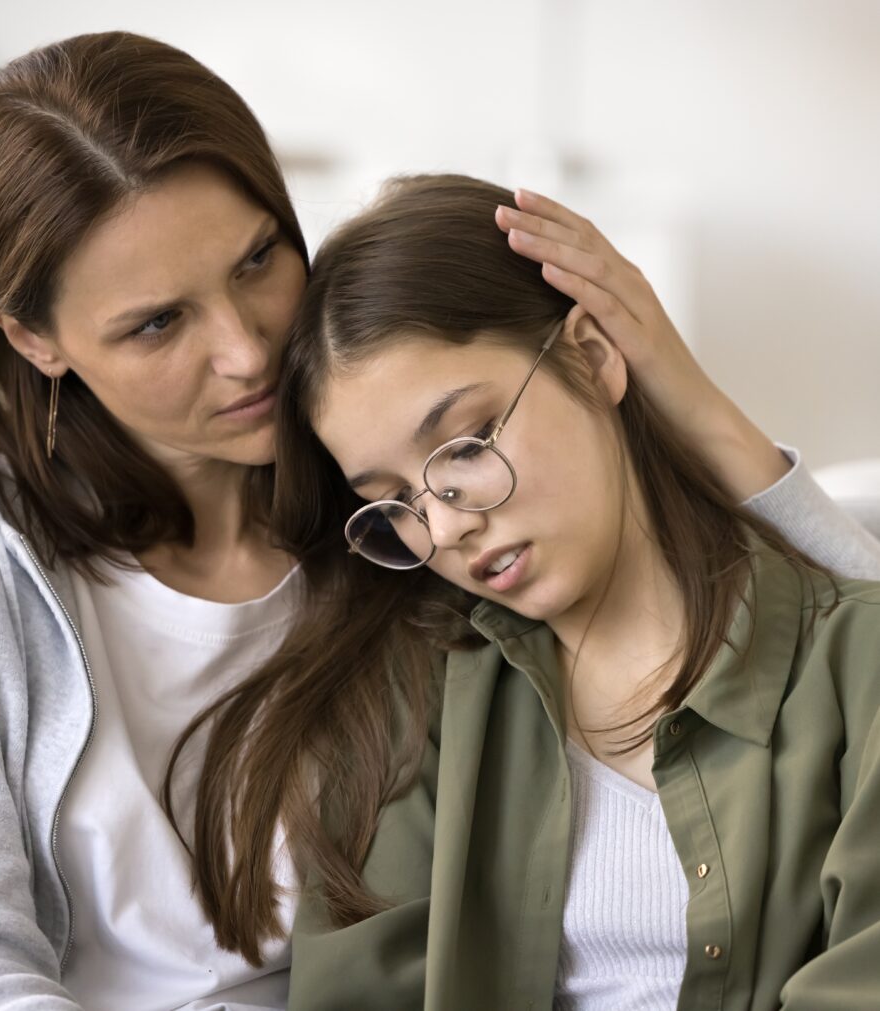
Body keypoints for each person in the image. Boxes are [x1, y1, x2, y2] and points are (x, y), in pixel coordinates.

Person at [0, 28, 875, 1011]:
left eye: (257, 260)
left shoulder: (402, 548)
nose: (249, 351)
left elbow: (843, 643)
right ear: (32, 337)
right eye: (159, 324)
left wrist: (688, 398)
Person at [257, 174, 880, 1010]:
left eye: (466, 445)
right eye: (393, 501)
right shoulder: (405, 701)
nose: (442, 531)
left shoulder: (850, 667)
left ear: (590, 357)